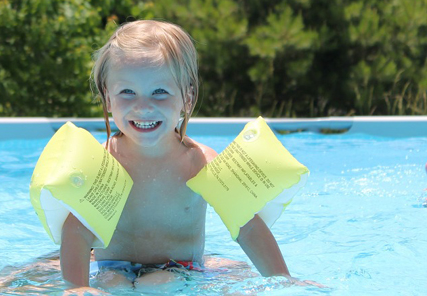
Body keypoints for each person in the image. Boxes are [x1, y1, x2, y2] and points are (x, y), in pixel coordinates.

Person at [60, 20, 293, 294]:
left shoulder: (200, 163)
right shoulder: (101, 163)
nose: (143, 106)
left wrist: (283, 281)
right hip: (112, 268)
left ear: (187, 98)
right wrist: (75, 288)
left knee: (159, 284)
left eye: (160, 92)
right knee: (113, 284)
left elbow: (248, 227)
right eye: (127, 92)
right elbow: (76, 231)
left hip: (182, 269)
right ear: (108, 98)